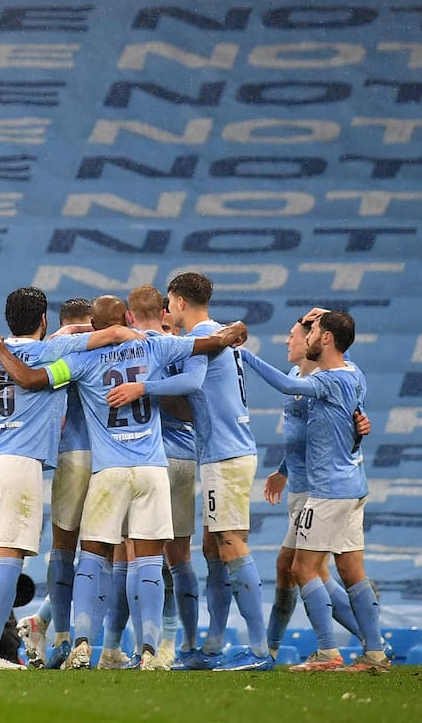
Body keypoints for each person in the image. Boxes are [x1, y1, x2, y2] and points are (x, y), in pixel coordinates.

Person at [0, 295, 245, 671]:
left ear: (93, 326)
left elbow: (32, 379)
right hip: (152, 470)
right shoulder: (153, 346)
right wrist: (236, 330)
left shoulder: (79, 359)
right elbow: (215, 342)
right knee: (150, 562)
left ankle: (79, 643)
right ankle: (151, 651)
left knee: (89, 556)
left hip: (105, 470)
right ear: (126, 317)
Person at [0, 286, 141, 670]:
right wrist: (91, 333)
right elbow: (111, 334)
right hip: (19, 464)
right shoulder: (50, 351)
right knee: (9, 561)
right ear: (43, 320)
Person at [238, 310, 390, 673]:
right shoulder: (353, 373)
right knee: (350, 570)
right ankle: (376, 652)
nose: (298, 340)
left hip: (327, 490)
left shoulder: (328, 379)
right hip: (352, 486)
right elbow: (338, 351)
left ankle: (327, 652)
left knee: (302, 568)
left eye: (308, 333)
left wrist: (241, 353)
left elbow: (289, 386)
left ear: (324, 339)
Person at [165, 271, 272, 671]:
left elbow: (185, 390)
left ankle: (259, 650)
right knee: (213, 547)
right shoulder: (222, 336)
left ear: (178, 302)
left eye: (169, 303)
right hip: (225, 451)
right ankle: (210, 647)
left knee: (229, 543)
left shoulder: (205, 340)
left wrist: (144, 387)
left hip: (226, 454)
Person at [103, 285, 203, 666]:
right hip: (182, 458)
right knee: (179, 560)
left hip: (140, 457)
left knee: (131, 558)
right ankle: (178, 647)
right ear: (163, 310)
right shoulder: (179, 346)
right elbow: (198, 405)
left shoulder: (121, 349)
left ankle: (130, 647)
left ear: (129, 315)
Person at [263, 309, 369, 660]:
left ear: (314, 338)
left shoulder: (321, 381)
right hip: (302, 485)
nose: (290, 340)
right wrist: (282, 469)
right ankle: (370, 641)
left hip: (319, 488)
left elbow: (336, 425)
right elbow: (300, 437)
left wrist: (358, 426)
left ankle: (298, 649)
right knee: (293, 567)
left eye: (295, 335)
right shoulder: (299, 373)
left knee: (307, 568)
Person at [17, 297, 95, 669]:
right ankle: (69, 640)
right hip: (87, 456)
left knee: (89, 551)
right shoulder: (93, 348)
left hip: (97, 458)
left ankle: (49, 625)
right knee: (88, 550)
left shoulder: (52, 349)